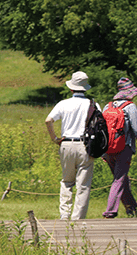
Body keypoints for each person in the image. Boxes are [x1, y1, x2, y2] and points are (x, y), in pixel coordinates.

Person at [45, 71, 99, 220]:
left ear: (71, 88)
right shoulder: (92, 104)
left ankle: (64, 214)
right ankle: (78, 217)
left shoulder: (63, 104)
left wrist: (55, 138)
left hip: (66, 143)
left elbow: (48, 120)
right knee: (83, 184)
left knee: (67, 181)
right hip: (86, 145)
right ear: (85, 88)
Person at [102, 77, 137, 218]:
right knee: (119, 179)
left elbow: (103, 130)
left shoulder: (107, 106)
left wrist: (103, 151)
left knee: (122, 179)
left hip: (109, 149)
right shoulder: (130, 106)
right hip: (124, 147)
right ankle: (110, 211)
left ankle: (131, 208)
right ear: (130, 93)